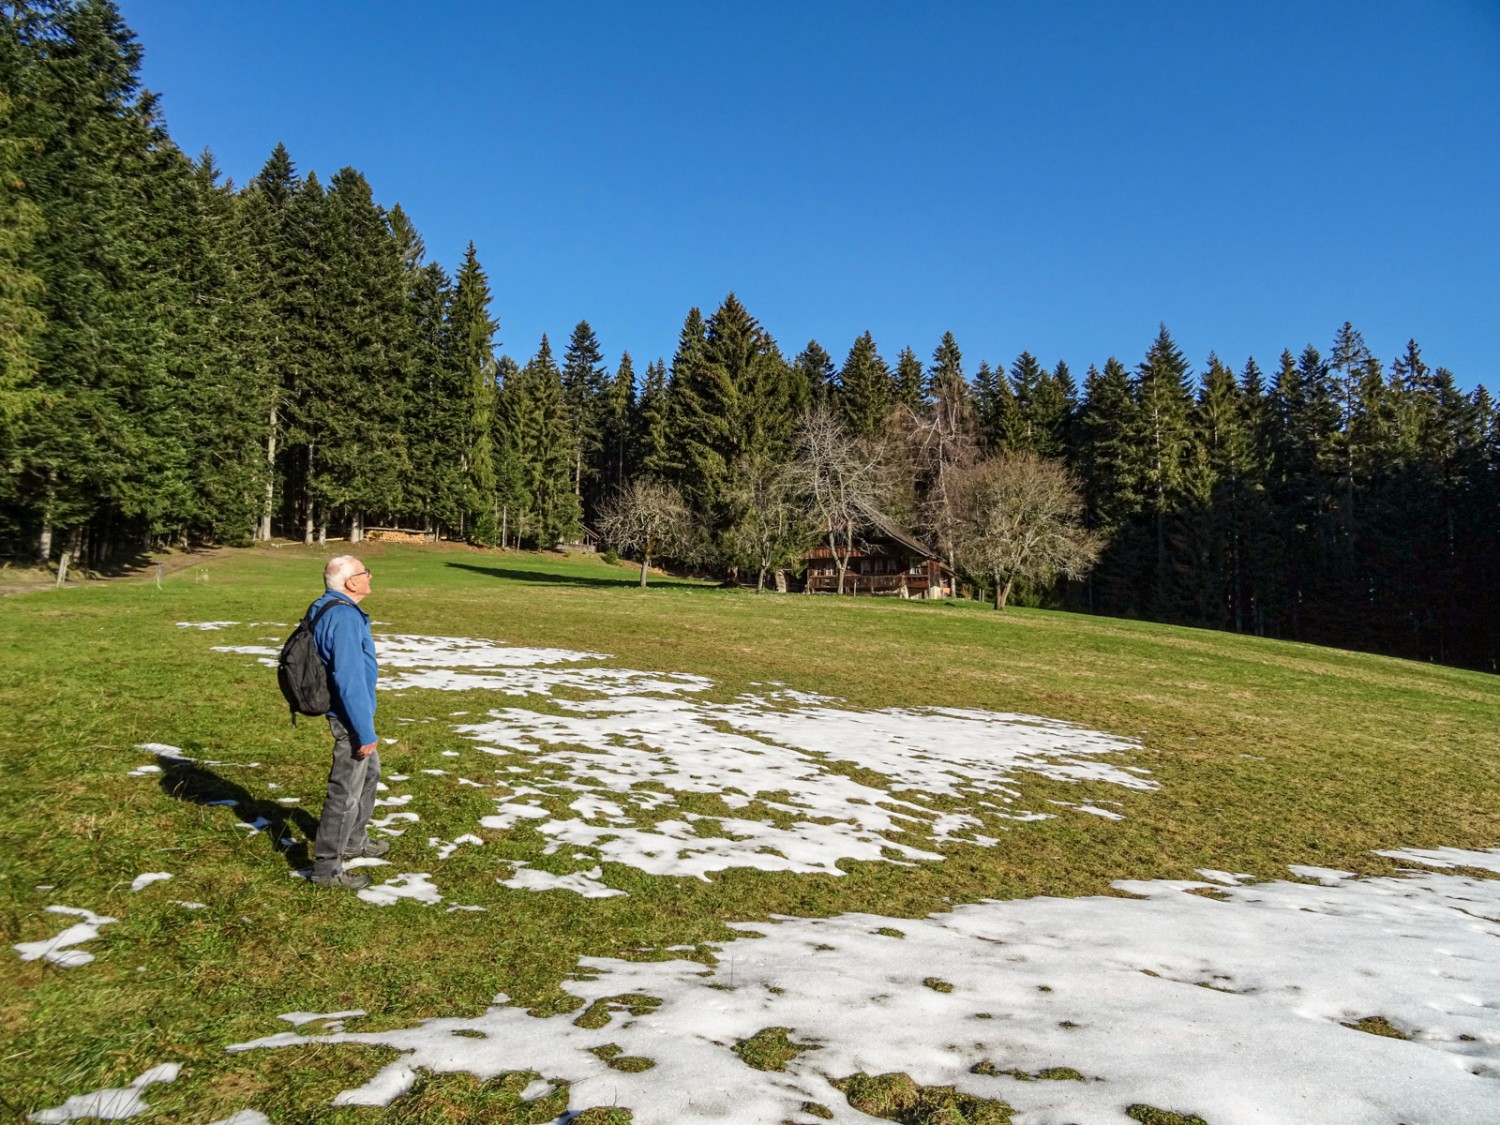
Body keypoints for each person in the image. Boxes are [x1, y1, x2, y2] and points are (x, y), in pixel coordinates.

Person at [307, 555, 387, 890]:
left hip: (354, 712)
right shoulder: (343, 616)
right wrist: (363, 730)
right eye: (364, 572)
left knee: (370, 774)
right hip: (349, 716)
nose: (370, 576)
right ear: (351, 583)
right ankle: (327, 869)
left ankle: (355, 840)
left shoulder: (327, 607)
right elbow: (349, 677)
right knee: (345, 793)